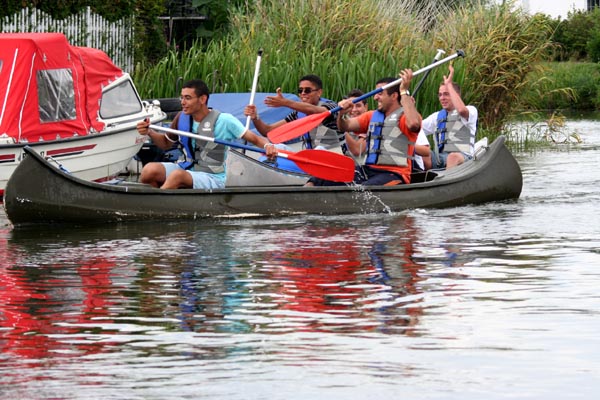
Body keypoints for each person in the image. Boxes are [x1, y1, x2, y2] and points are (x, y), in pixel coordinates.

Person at [136, 79, 275, 189]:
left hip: (214, 176)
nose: (183, 103)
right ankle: (157, 201)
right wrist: (149, 132)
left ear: (202, 99)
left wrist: (268, 145)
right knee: (149, 170)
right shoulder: (181, 117)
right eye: (182, 98)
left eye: (188, 98)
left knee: (177, 176)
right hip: (186, 167)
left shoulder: (224, 120)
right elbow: (165, 144)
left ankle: (158, 204)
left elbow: (256, 139)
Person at [307, 69, 421, 186]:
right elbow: (345, 126)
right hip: (368, 171)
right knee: (322, 176)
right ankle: (304, 195)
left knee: (363, 191)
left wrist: (404, 91)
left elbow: (413, 124)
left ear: (394, 96)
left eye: (380, 93)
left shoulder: (406, 117)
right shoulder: (371, 116)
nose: (375, 97)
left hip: (394, 174)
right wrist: (341, 114)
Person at [243, 74, 345, 154]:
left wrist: (285, 102)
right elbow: (268, 131)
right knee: (278, 148)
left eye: (307, 90)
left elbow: (318, 112)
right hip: (312, 158)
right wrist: (255, 117)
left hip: (335, 155)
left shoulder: (331, 106)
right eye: (300, 90)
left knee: (319, 150)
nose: (303, 93)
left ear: (319, 92)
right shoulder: (297, 114)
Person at [420, 65, 478, 169]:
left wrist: (449, 84)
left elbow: (461, 110)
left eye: (446, 94)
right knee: (424, 155)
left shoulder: (471, 110)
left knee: (452, 157)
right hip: (441, 158)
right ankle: (426, 181)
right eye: (440, 95)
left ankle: (445, 182)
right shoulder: (436, 117)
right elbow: (415, 127)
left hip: (464, 157)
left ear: (456, 95)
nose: (442, 98)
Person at [342, 88, 369, 160]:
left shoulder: (370, 123)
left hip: (361, 167)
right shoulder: (343, 121)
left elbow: (357, 150)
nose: (354, 110)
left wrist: (340, 129)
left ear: (365, 107)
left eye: (358, 106)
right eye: (350, 106)